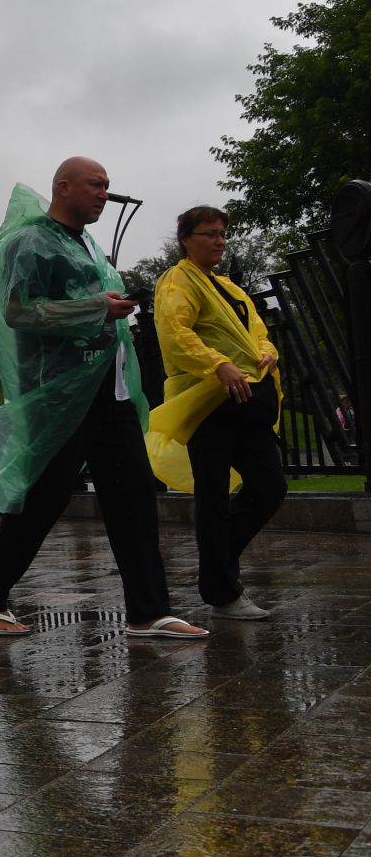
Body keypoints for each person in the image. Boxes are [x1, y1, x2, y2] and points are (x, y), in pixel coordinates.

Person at [0, 160, 206, 639]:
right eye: (97, 185)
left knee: (133, 495)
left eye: (108, 186)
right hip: (61, 392)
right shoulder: (30, 242)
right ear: (63, 187)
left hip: (107, 391)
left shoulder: (86, 244)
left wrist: (108, 306)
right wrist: (98, 307)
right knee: (46, 496)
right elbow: (16, 310)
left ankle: (148, 611)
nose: (104, 194)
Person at [147, 206, 287, 620]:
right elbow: (174, 332)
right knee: (214, 499)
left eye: (222, 234)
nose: (219, 240)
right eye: (209, 233)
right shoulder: (177, 281)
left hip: (246, 402)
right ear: (186, 239)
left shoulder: (227, 286)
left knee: (270, 487)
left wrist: (267, 352)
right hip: (208, 404)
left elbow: (256, 331)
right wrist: (217, 364)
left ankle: (216, 567)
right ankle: (223, 592)